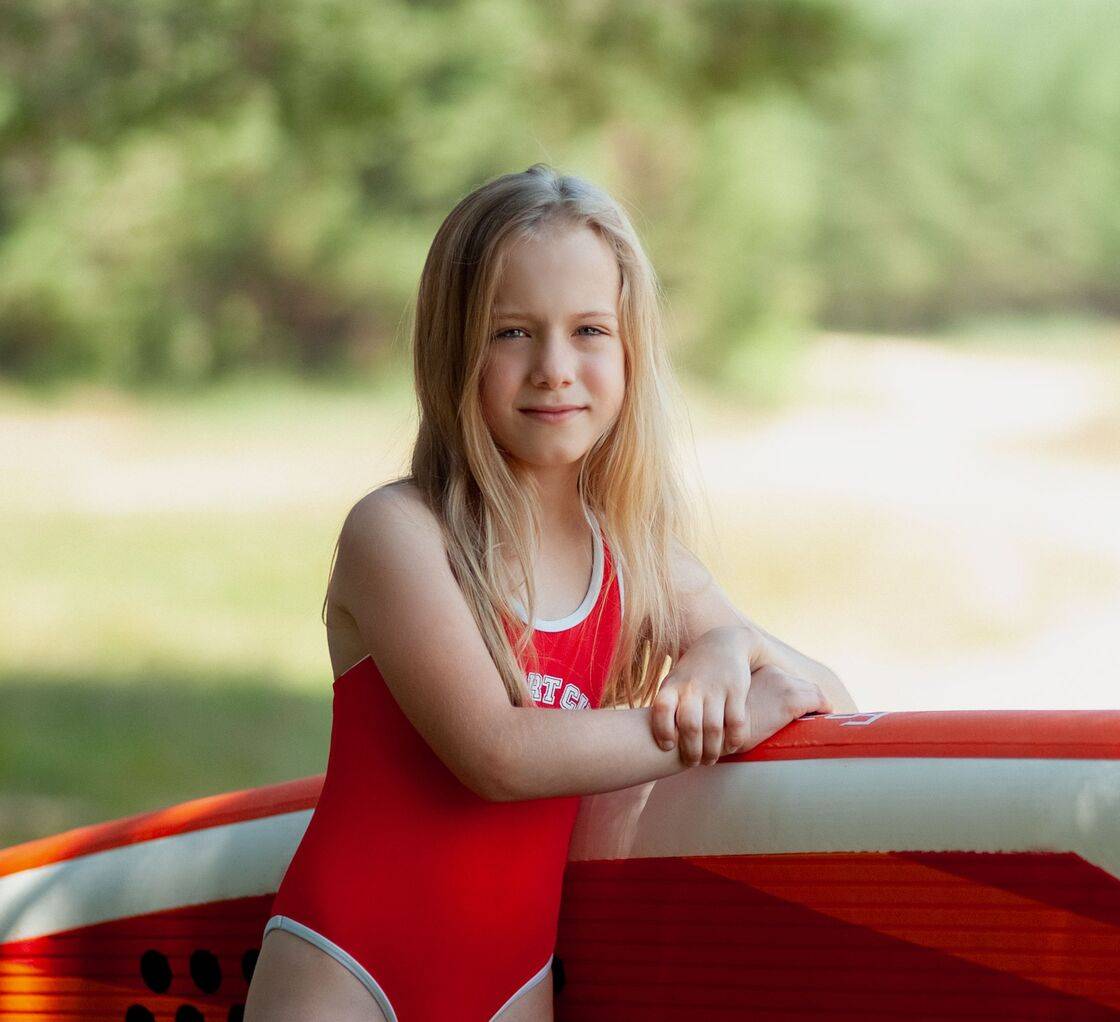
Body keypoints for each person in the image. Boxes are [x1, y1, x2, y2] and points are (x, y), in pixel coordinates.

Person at [243, 164, 858, 1021]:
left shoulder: (638, 561)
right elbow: (498, 754)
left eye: (590, 330)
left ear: (632, 350)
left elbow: (829, 697)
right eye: (512, 332)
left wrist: (729, 644)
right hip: (343, 968)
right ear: (453, 348)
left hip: (513, 988)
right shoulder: (399, 534)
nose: (554, 368)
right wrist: (710, 727)